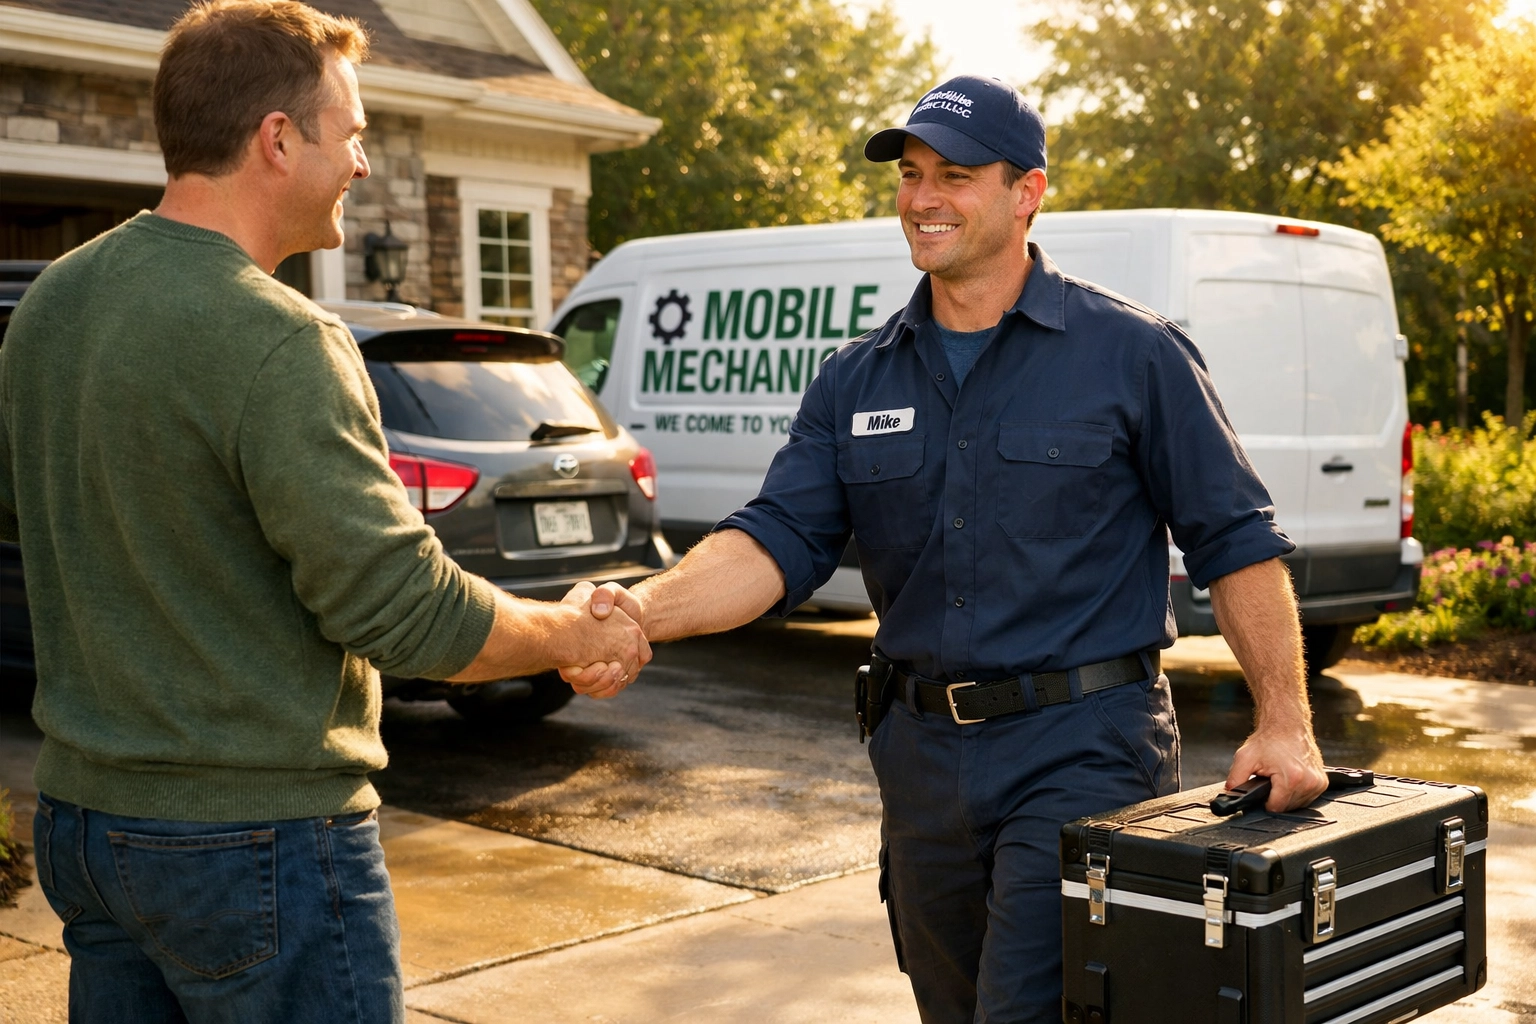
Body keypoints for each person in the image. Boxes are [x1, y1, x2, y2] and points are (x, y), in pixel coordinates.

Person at [567, 75, 1329, 1022]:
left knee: (1026, 1011)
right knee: (954, 1008)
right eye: (911, 175)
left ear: (1028, 192)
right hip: (920, 761)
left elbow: (1235, 540)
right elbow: (778, 539)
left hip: (1081, 747)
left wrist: (1285, 720)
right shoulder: (854, 378)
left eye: (955, 176)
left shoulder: (1134, 354)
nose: (923, 199)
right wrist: (642, 612)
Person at [0, 2, 645, 1020]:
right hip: (252, 841)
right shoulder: (281, 338)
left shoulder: (51, 310)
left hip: (87, 826)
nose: (360, 159)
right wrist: (571, 629)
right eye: (351, 133)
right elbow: (401, 609)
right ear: (277, 138)